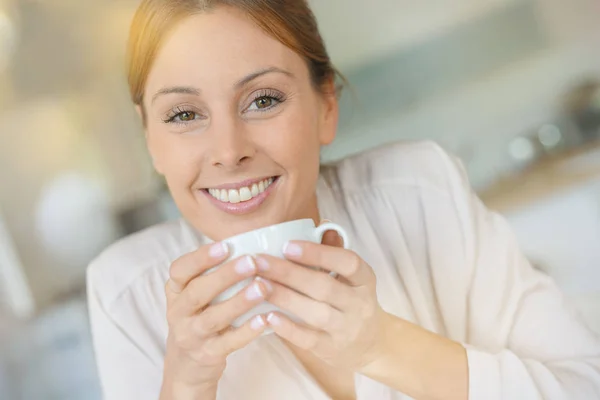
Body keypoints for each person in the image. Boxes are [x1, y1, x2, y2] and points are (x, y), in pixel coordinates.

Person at [86, 1, 600, 399]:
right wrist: (185, 385)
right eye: (183, 114)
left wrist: (383, 346)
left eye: (263, 100)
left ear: (325, 105)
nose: (228, 151)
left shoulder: (420, 190)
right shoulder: (127, 293)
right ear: (150, 137)